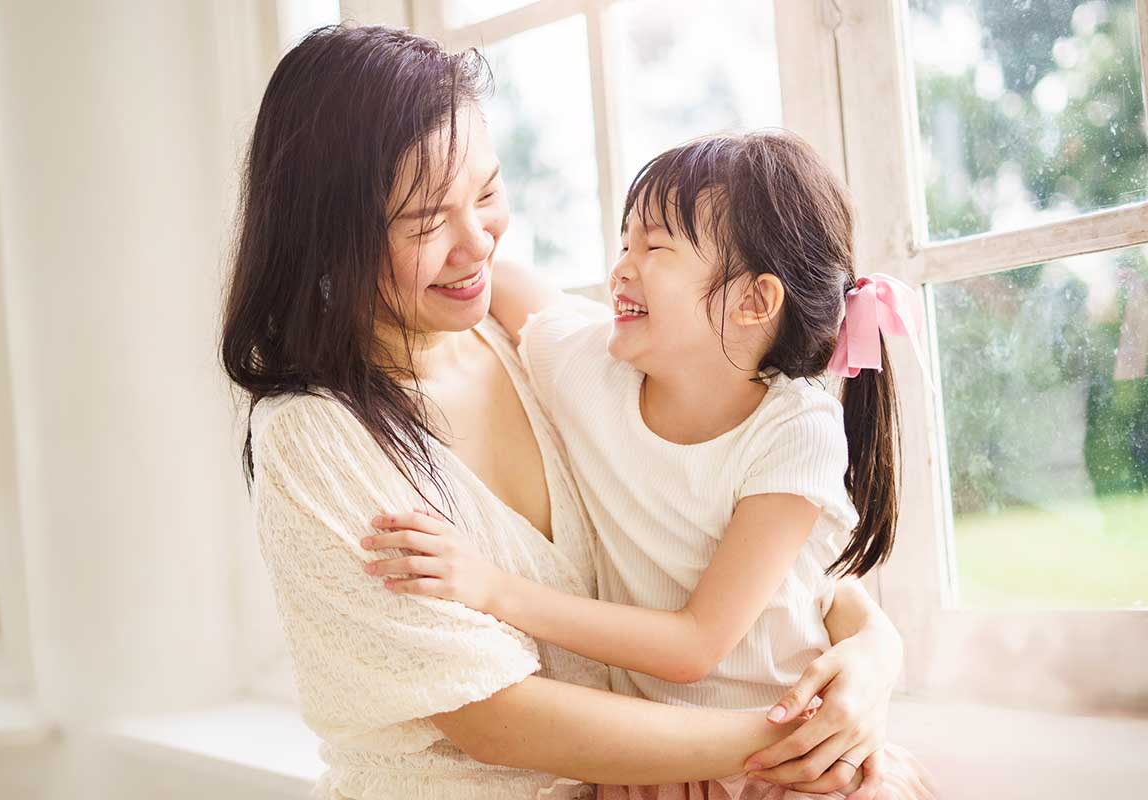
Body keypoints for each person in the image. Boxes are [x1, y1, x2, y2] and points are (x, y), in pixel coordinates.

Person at [221, 24, 926, 800]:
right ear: (328, 240)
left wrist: (869, 656)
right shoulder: (317, 437)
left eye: (487, 193)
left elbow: (740, 554)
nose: (476, 244)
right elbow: (489, 714)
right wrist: (785, 745)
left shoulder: (533, 341)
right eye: (427, 222)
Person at [364, 131, 933, 800]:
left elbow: (695, 645)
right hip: (653, 756)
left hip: (793, 747)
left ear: (754, 302)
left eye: (655, 248)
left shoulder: (795, 432)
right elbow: (495, 282)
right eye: (624, 243)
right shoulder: (588, 366)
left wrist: (490, 588)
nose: (622, 269)